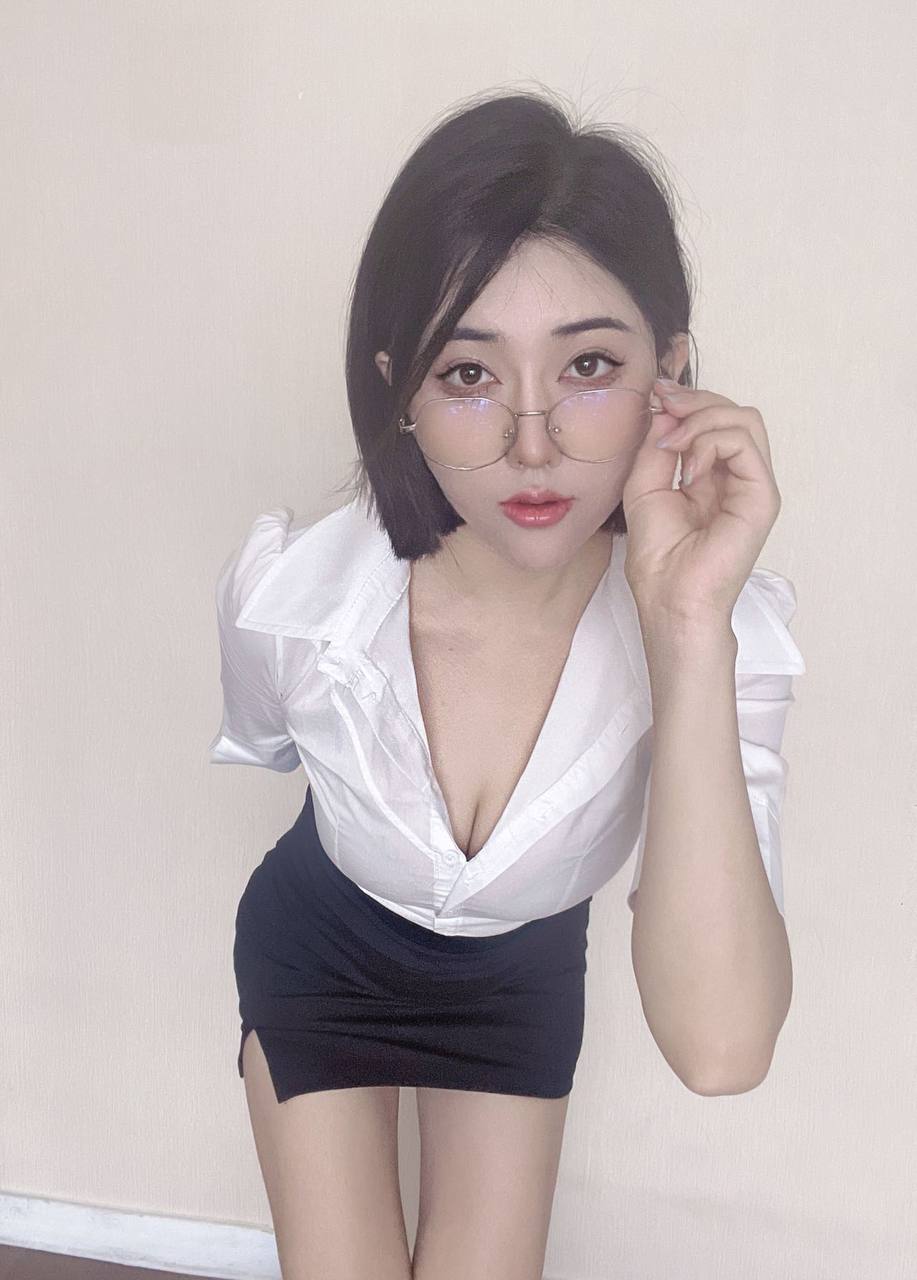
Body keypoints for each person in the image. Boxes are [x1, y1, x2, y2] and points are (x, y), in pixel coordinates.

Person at [209, 86, 804, 1280]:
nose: (532, 444)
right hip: (317, 952)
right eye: (468, 373)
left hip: (515, 979)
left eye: (586, 364)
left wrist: (684, 624)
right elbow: (269, 741)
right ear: (399, 390)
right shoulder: (290, 599)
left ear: (670, 370)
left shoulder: (724, 632)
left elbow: (721, 1047)